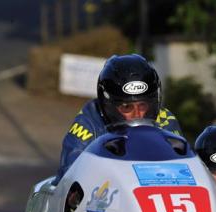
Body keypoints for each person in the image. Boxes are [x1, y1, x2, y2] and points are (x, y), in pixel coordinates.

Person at [53, 54, 182, 185]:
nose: (137, 114)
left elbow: (182, 170)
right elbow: (69, 177)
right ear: (109, 105)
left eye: (143, 105)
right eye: (127, 107)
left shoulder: (166, 121)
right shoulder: (89, 122)